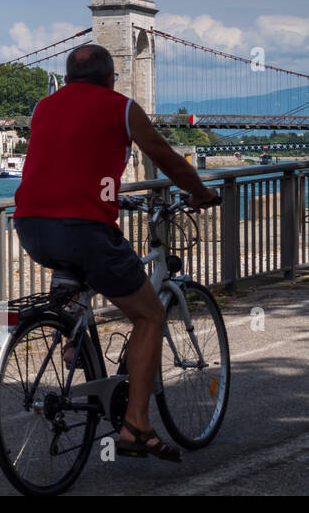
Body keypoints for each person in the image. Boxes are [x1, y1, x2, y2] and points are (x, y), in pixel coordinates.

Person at [12, 43, 219, 462]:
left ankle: (73, 344)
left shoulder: (43, 107)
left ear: (67, 80)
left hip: (31, 227)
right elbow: (167, 160)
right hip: (85, 231)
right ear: (111, 79)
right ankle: (136, 427)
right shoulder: (122, 107)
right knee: (149, 315)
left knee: (74, 271)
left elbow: (66, 160)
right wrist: (200, 193)